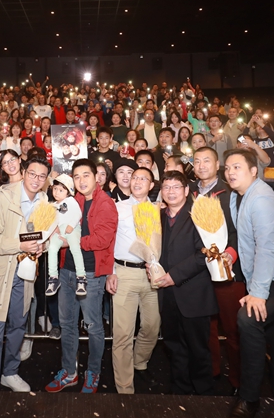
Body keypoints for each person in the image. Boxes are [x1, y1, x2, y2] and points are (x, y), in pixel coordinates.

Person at [224, 149, 274, 418]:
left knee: (248, 320)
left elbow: (267, 247)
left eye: (237, 167)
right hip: (266, 278)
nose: (230, 172)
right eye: (227, 168)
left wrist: (258, 293)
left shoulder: (261, 198)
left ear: (253, 171)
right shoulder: (238, 196)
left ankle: (249, 399)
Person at [0, 156, 51, 393]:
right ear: (24, 172)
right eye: (32, 174)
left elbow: (44, 236)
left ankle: (9, 372)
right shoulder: (4, 198)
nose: (36, 179)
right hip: (0, 272)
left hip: (25, 274)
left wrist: (41, 247)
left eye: (41, 176)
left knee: (18, 326)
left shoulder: (43, 201)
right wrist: (20, 245)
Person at [45, 159, 117, 394]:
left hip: (91, 274)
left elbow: (103, 239)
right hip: (66, 270)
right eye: (76, 176)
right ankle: (69, 371)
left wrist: (71, 242)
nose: (81, 180)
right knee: (67, 324)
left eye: (86, 175)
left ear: (97, 177)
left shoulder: (105, 203)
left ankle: (93, 372)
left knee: (93, 326)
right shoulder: (71, 200)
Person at [154, 170, 217, 395]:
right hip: (167, 294)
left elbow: (205, 253)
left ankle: (204, 395)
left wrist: (174, 275)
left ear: (187, 190)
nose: (170, 192)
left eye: (176, 187)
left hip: (193, 293)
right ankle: (180, 392)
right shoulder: (158, 217)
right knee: (173, 346)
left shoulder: (199, 214)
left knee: (198, 348)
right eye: (166, 187)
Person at [189, 147, 244, 393]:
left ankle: (239, 380)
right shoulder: (188, 193)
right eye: (197, 161)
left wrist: (230, 254)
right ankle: (211, 372)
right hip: (199, 271)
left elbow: (241, 230)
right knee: (206, 327)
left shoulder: (231, 193)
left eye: (207, 161)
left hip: (228, 269)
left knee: (234, 328)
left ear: (217, 164)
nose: (201, 166)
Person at [107, 167, 161, 394]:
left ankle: (140, 361)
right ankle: (125, 388)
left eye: (143, 178)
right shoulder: (117, 208)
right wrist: (110, 272)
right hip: (124, 273)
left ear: (151, 185)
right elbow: (108, 242)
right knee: (123, 333)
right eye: (134, 177)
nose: (137, 181)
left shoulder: (158, 209)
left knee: (152, 326)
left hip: (151, 275)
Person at [45, 174, 85, 296]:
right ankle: (53, 277)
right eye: (55, 189)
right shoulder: (53, 205)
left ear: (68, 192)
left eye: (61, 190)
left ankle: (81, 277)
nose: (57, 192)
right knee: (52, 248)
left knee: (75, 248)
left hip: (72, 229)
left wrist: (71, 225)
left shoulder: (70, 201)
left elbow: (78, 214)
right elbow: (51, 220)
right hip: (60, 231)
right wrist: (53, 228)